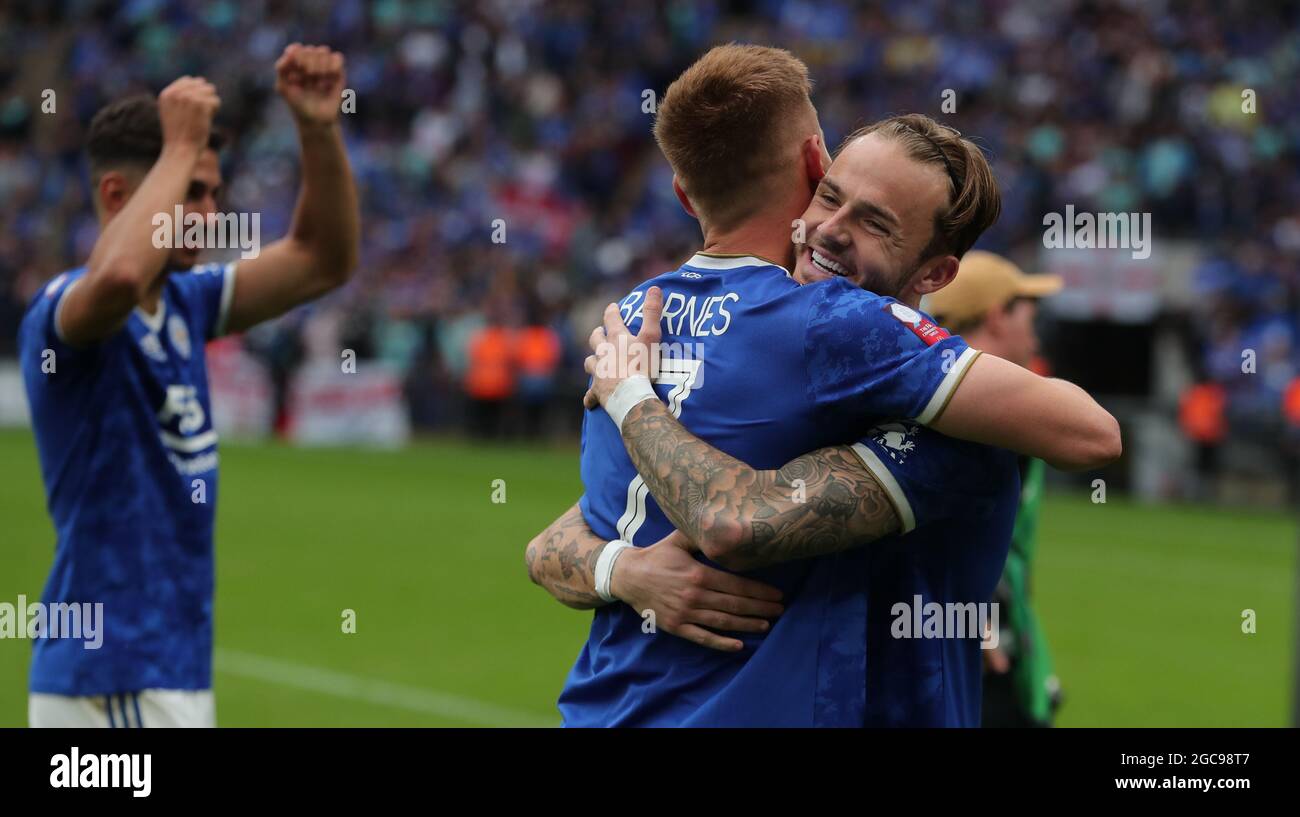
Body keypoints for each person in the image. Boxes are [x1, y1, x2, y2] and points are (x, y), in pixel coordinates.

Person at [525, 44, 1119, 726]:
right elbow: (557, 540)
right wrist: (625, 570)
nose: (829, 231)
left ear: (935, 274)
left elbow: (700, 522)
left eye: (874, 222)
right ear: (814, 167)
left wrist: (631, 403)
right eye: (831, 197)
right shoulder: (800, 329)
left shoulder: (635, 321)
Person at [19, 45, 359, 727]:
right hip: (111, 672)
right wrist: (179, 145)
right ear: (119, 196)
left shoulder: (185, 302)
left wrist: (319, 129)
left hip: (159, 669)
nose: (208, 212)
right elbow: (113, 276)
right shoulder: (68, 312)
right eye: (190, 193)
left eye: (211, 193)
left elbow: (326, 259)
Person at [922, 250, 1067, 727]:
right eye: (1028, 315)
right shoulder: (986, 412)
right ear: (997, 316)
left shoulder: (931, 392)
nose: (1036, 331)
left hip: (981, 631)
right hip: (975, 644)